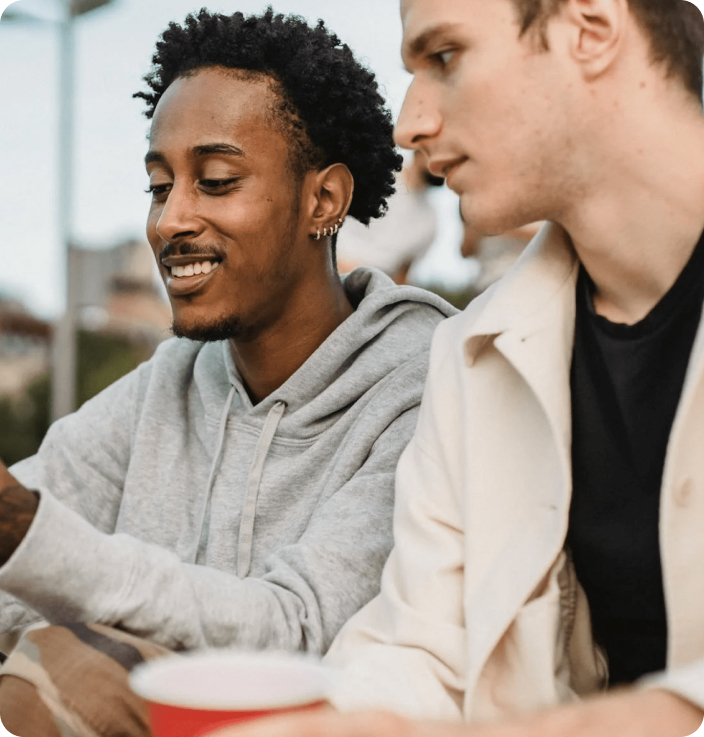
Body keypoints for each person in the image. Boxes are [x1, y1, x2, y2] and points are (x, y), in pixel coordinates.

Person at [214, 0, 704, 736]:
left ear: (591, 30)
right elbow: (425, 649)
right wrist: (342, 720)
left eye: (444, 58)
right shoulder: (470, 355)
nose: (409, 125)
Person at [0, 8, 455, 736]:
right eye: (158, 185)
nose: (169, 219)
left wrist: (31, 546)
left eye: (214, 181)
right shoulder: (171, 380)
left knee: (66, 674)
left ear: (324, 200)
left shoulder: (426, 386)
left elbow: (298, 628)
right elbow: (17, 549)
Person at [336, 150, 444, 284]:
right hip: (332, 270)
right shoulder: (375, 172)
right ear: (419, 148)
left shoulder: (430, 221)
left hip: (372, 291)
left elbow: (402, 276)